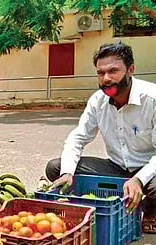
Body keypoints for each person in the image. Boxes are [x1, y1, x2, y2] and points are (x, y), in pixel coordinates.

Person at [45, 42, 156, 232]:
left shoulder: (152, 99)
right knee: (56, 167)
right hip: (117, 168)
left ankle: (150, 207)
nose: (106, 79)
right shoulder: (98, 101)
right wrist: (67, 172)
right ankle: (103, 202)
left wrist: (138, 179)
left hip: (150, 170)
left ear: (130, 70)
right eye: (100, 73)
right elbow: (78, 138)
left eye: (113, 71)